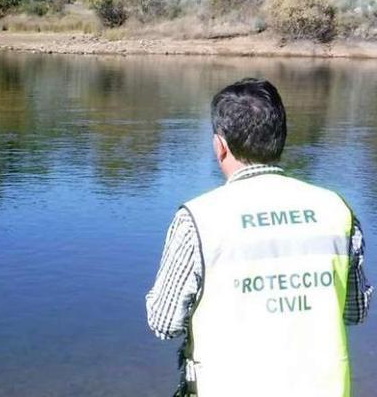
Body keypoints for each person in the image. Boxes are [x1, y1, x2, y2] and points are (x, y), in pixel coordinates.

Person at [146, 78, 371, 397]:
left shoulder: (199, 218)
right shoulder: (336, 209)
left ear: (219, 145)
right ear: (281, 138)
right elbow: (356, 311)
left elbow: (165, 322)